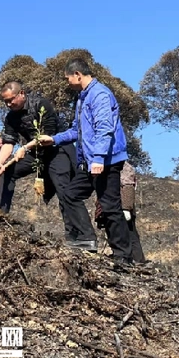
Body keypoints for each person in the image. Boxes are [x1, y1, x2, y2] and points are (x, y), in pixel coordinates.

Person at [38, 57, 133, 266]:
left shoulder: (99, 95)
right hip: (90, 161)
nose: (67, 82)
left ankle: (123, 256)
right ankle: (86, 239)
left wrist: (98, 158)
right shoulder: (82, 98)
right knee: (70, 194)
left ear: (78, 75)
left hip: (106, 161)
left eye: (67, 78)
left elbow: (105, 128)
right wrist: (54, 139)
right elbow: (76, 131)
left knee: (110, 206)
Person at [0, 81, 97, 250]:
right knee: (7, 171)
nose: (8, 104)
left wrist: (25, 148)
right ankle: (0, 217)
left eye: (11, 100)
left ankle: (83, 237)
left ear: (21, 93)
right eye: (5, 101)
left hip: (57, 150)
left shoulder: (41, 104)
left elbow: (47, 135)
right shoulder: (10, 117)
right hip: (36, 153)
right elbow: (8, 142)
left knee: (66, 192)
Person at [95, 161, 146, 263]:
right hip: (111, 205)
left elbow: (128, 185)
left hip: (121, 205)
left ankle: (137, 259)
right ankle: (121, 255)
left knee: (130, 232)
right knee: (115, 231)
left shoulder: (124, 166)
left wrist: (126, 207)